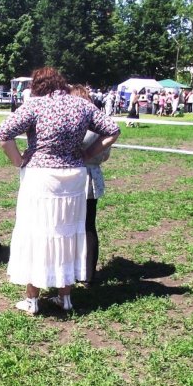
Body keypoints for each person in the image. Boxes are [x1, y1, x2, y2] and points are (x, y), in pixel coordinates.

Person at [0, 67, 120, 315]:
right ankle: (65, 298)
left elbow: (3, 134)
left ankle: (32, 299)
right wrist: (88, 154)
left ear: (38, 86)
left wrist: (18, 160)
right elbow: (113, 130)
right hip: (74, 179)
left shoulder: (34, 105)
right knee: (68, 234)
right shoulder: (81, 105)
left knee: (37, 233)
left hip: (41, 179)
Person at [69, 84, 118, 287]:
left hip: (74, 177)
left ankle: (72, 271)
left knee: (72, 226)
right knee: (89, 226)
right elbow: (105, 155)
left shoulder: (75, 122)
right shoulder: (100, 124)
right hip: (92, 177)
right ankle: (88, 275)